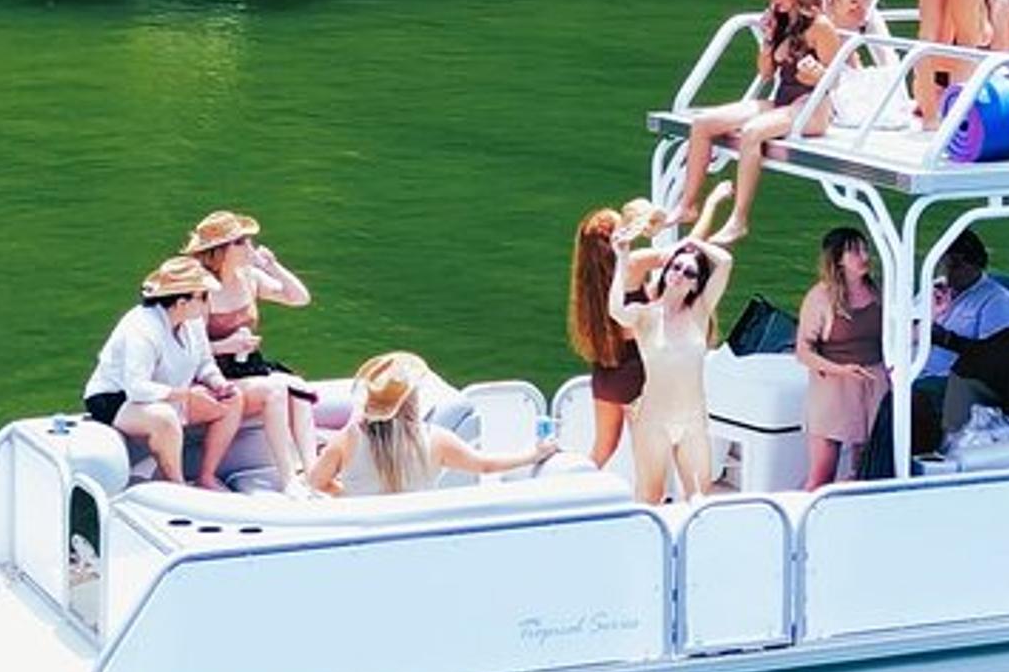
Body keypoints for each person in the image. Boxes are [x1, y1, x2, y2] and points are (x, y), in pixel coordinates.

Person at [673, 0, 843, 245]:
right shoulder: (782, 23)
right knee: (703, 123)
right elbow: (766, 73)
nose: (773, 0)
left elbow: (834, 81)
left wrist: (815, 74)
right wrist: (767, 40)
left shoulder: (821, 27)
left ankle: (739, 219)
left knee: (753, 132)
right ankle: (688, 205)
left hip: (812, 107)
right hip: (783, 99)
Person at [568, 182, 732, 467]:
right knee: (648, 457)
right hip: (636, 370)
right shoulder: (631, 264)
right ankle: (651, 506)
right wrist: (712, 204)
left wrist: (671, 218)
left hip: (606, 372)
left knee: (603, 448)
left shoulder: (590, 288)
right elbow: (688, 247)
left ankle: (571, 488)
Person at [185, 209, 318, 496]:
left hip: (248, 367)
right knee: (274, 391)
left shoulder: (249, 277)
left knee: (299, 388)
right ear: (220, 251)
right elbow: (189, 349)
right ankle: (288, 478)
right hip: (213, 373)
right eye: (241, 242)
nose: (250, 247)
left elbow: (300, 298)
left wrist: (273, 266)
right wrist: (226, 346)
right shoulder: (202, 290)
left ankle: (313, 470)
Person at [81, 256, 243, 490]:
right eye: (203, 296)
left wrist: (218, 383)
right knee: (164, 417)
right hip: (116, 399)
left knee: (233, 400)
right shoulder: (142, 329)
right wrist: (185, 395)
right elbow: (136, 387)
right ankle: (176, 486)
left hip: (168, 394)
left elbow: (204, 362)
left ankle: (205, 477)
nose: (209, 304)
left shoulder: (192, 321)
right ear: (181, 302)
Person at [308, 351, 557, 496]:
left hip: (363, 535)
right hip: (415, 532)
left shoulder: (348, 439)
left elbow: (316, 482)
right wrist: (534, 454)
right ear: (414, 399)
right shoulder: (436, 439)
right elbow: (486, 465)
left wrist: (347, 494)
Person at [608, 234, 735, 502]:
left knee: (700, 497)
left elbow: (725, 261)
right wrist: (620, 260)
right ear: (666, 271)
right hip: (653, 419)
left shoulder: (700, 311)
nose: (680, 273)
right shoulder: (645, 315)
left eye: (689, 272)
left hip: (693, 420)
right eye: (676, 267)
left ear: (695, 284)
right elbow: (616, 310)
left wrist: (692, 241)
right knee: (650, 497)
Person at [795, 227, 888, 488]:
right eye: (855, 251)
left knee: (866, 471)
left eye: (865, 249)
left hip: (873, 384)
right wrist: (841, 370)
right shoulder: (820, 297)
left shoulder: (879, 292)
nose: (864, 256)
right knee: (822, 475)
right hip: (832, 387)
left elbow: (896, 335)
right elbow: (803, 351)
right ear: (838, 259)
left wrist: (934, 313)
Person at [924, 230, 1009, 377]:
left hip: (950, 380)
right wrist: (931, 314)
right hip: (912, 370)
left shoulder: (998, 301)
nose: (947, 271)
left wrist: (946, 339)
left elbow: (1000, 356)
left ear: (976, 264)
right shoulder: (934, 288)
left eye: (955, 265)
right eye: (943, 263)